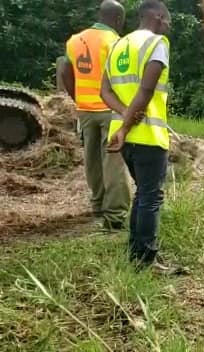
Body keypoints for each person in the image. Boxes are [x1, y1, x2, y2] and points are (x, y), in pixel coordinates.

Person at [100, 0, 177, 273]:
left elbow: (105, 92)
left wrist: (122, 118)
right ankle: (146, 261)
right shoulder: (157, 44)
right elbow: (145, 91)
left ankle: (136, 253)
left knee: (142, 196)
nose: (168, 25)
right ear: (157, 17)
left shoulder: (117, 46)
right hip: (147, 135)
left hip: (123, 139)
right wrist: (128, 123)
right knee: (150, 197)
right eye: (167, 20)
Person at [62, 0, 131, 231]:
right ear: (118, 20)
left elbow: (65, 71)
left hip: (85, 111)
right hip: (110, 110)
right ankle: (115, 215)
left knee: (92, 161)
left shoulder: (74, 41)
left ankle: (98, 205)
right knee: (113, 161)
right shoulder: (116, 42)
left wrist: (78, 98)